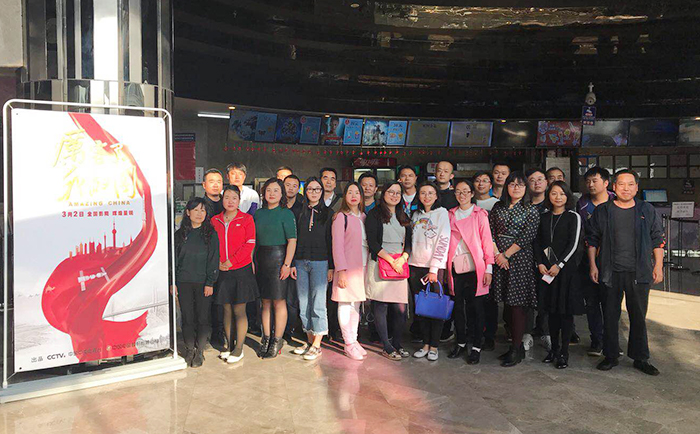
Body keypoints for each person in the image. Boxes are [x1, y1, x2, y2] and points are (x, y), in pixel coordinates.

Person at [587, 169, 664, 376]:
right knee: (610, 315)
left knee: (638, 316)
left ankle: (640, 358)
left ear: (637, 187)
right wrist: (593, 265)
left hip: (639, 272)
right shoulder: (603, 211)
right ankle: (611, 355)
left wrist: (658, 266)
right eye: (621, 184)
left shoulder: (646, 210)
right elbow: (592, 240)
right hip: (610, 272)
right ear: (614, 187)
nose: (626, 188)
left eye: (631, 184)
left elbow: (657, 239)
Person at [490, 171, 540, 367]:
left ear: (526, 188)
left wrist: (506, 255)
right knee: (507, 304)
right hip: (499, 258)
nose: (516, 188)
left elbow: (528, 236)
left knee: (517, 305)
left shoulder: (531, 209)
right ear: (506, 187)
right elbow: (490, 231)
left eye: (520, 184)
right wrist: (497, 254)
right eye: (512, 184)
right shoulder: (498, 207)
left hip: (519, 260)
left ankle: (517, 348)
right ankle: (513, 346)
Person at [535, 182, 584, 369]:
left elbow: (574, 244)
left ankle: (564, 352)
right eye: (554, 193)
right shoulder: (543, 217)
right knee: (551, 312)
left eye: (562, 194)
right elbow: (538, 243)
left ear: (567, 196)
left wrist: (560, 264)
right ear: (548, 196)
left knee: (565, 313)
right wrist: (540, 263)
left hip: (566, 272)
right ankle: (553, 350)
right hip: (546, 271)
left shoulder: (573, 217)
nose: (558, 197)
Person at [446, 180, 494, 364]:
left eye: (466, 191)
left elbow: (487, 242)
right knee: (458, 307)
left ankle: (476, 345)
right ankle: (460, 342)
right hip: (456, 266)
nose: (462, 195)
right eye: (458, 191)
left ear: (472, 193)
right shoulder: (450, 214)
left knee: (476, 308)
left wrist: (489, 268)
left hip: (476, 267)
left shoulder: (479, 214)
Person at [366, 181, 413, 361]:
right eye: (391, 192)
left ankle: (397, 343)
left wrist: (402, 258)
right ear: (383, 193)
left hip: (399, 265)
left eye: (397, 193)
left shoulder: (403, 215)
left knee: (400, 307)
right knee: (381, 305)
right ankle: (386, 346)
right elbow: (372, 242)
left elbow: (409, 243)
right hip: (381, 263)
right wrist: (391, 260)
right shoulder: (374, 214)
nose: (394, 195)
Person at [211, 186, 258, 364]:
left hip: (240, 270)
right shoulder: (215, 220)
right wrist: (218, 262)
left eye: (234, 198)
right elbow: (211, 244)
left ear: (239, 201)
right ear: (222, 200)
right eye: (227, 197)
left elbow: (249, 243)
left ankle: (239, 348)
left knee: (239, 309)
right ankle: (229, 346)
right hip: (222, 269)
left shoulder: (246, 219)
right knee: (226, 309)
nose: (230, 201)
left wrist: (232, 261)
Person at [290, 177, 335, 361]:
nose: (314, 192)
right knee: (303, 303)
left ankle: (317, 344)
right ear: (305, 191)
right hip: (300, 262)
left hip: (320, 262)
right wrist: (292, 263)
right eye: (310, 189)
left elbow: (331, 241)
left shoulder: (329, 213)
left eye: (317, 189)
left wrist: (331, 266)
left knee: (318, 303)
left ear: (321, 192)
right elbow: (293, 239)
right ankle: (309, 341)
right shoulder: (298, 212)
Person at [254, 178, 298, 359]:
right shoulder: (258, 214)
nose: (271, 194)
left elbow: (292, 241)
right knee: (264, 301)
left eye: (276, 190)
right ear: (263, 193)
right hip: (261, 259)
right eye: (268, 190)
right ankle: (266, 338)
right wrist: (252, 261)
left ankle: (277, 339)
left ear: (282, 194)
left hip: (279, 258)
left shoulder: (286, 213)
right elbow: (254, 240)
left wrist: (287, 264)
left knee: (279, 301)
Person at [173, 198, 220, 367]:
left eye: (203, 210)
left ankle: (199, 351)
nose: (199, 214)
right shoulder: (179, 235)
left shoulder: (211, 235)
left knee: (202, 317)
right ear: (188, 212)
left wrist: (210, 282)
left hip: (203, 283)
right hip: (183, 281)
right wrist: (173, 282)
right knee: (187, 317)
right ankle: (189, 349)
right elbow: (174, 260)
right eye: (196, 210)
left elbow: (213, 260)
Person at [408, 182, 450, 361]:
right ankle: (425, 344)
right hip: (414, 266)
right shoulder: (415, 214)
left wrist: (433, 269)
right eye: (423, 193)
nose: (426, 196)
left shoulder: (442, 214)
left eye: (430, 193)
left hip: (434, 268)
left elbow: (443, 241)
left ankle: (434, 346)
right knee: (421, 308)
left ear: (436, 196)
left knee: (435, 308)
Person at [577, 166, 614, 356]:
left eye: (595, 181)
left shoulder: (616, 201)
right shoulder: (582, 203)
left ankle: (611, 342)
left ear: (606, 183)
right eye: (588, 181)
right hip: (588, 259)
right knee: (591, 302)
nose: (591, 184)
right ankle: (597, 340)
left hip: (612, 261)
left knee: (611, 303)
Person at [330, 182, 369, 360]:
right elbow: (337, 246)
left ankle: (354, 339)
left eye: (357, 192)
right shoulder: (341, 217)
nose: (353, 196)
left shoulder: (364, 217)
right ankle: (348, 343)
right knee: (345, 304)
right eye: (350, 192)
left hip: (363, 267)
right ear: (344, 196)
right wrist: (341, 270)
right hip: (347, 268)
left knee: (356, 304)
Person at [525, 168, 551, 351]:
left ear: (546, 183)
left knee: (546, 296)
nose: (537, 183)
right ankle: (526, 333)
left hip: (548, 260)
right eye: (532, 180)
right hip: (525, 258)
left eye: (540, 179)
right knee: (527, 297)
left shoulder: (553, 204)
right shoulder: (523, 206)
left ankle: (546, 332)